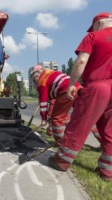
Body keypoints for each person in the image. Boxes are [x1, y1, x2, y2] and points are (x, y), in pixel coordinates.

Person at [48, 12, 112, 181]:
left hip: (98, 86)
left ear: (98, 24)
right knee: (109, 130)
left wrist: (72, 84)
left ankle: (62, 161)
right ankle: (107, 172)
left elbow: (81, 61)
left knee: (79, 124)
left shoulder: (93, 36)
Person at [30, 65, 81, 144]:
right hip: (76, 86)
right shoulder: (50, 73)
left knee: (56, 119)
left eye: (34, 80)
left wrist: (43, 119)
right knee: (84, 114)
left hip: (65, 90)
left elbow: (44, 104)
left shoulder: (41, 81)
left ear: (37, 77)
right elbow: (50, 92)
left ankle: (62, 144)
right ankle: (102, 142)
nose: (35, 83)